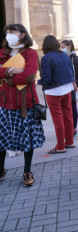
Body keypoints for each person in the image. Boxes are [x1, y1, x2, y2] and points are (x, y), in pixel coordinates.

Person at [0, 24, 45, 186]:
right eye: (7, 32)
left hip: (25, 104)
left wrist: (6, 77)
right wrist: (9, 71)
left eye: (12, 32)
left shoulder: (30, 53)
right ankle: (1, 170)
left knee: (27, 139)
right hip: (5, 103)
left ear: (23, 35)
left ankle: (27, 171)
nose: (9, 35)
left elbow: (29, 77)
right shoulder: (2, 53)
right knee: (1, 138)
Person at [40, 35, 75, 154]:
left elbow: (47, 78)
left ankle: (60, 146)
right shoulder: (64, 55)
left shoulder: (46, 58)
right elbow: (71, 71)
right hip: (67, 88)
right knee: (68, 115)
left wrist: (40, 82)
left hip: (53, 91)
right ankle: (70, 142)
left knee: (58, 118)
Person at [60, 39, 78, 136]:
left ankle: (74, 128)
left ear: (69, 47)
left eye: (63, 47)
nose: (61, 49)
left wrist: (75, 84)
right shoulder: (62, 57)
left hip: (72, 88)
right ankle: (67, 127)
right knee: (65, 109)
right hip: (64, 87)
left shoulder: (74, 58)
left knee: (73, 108)